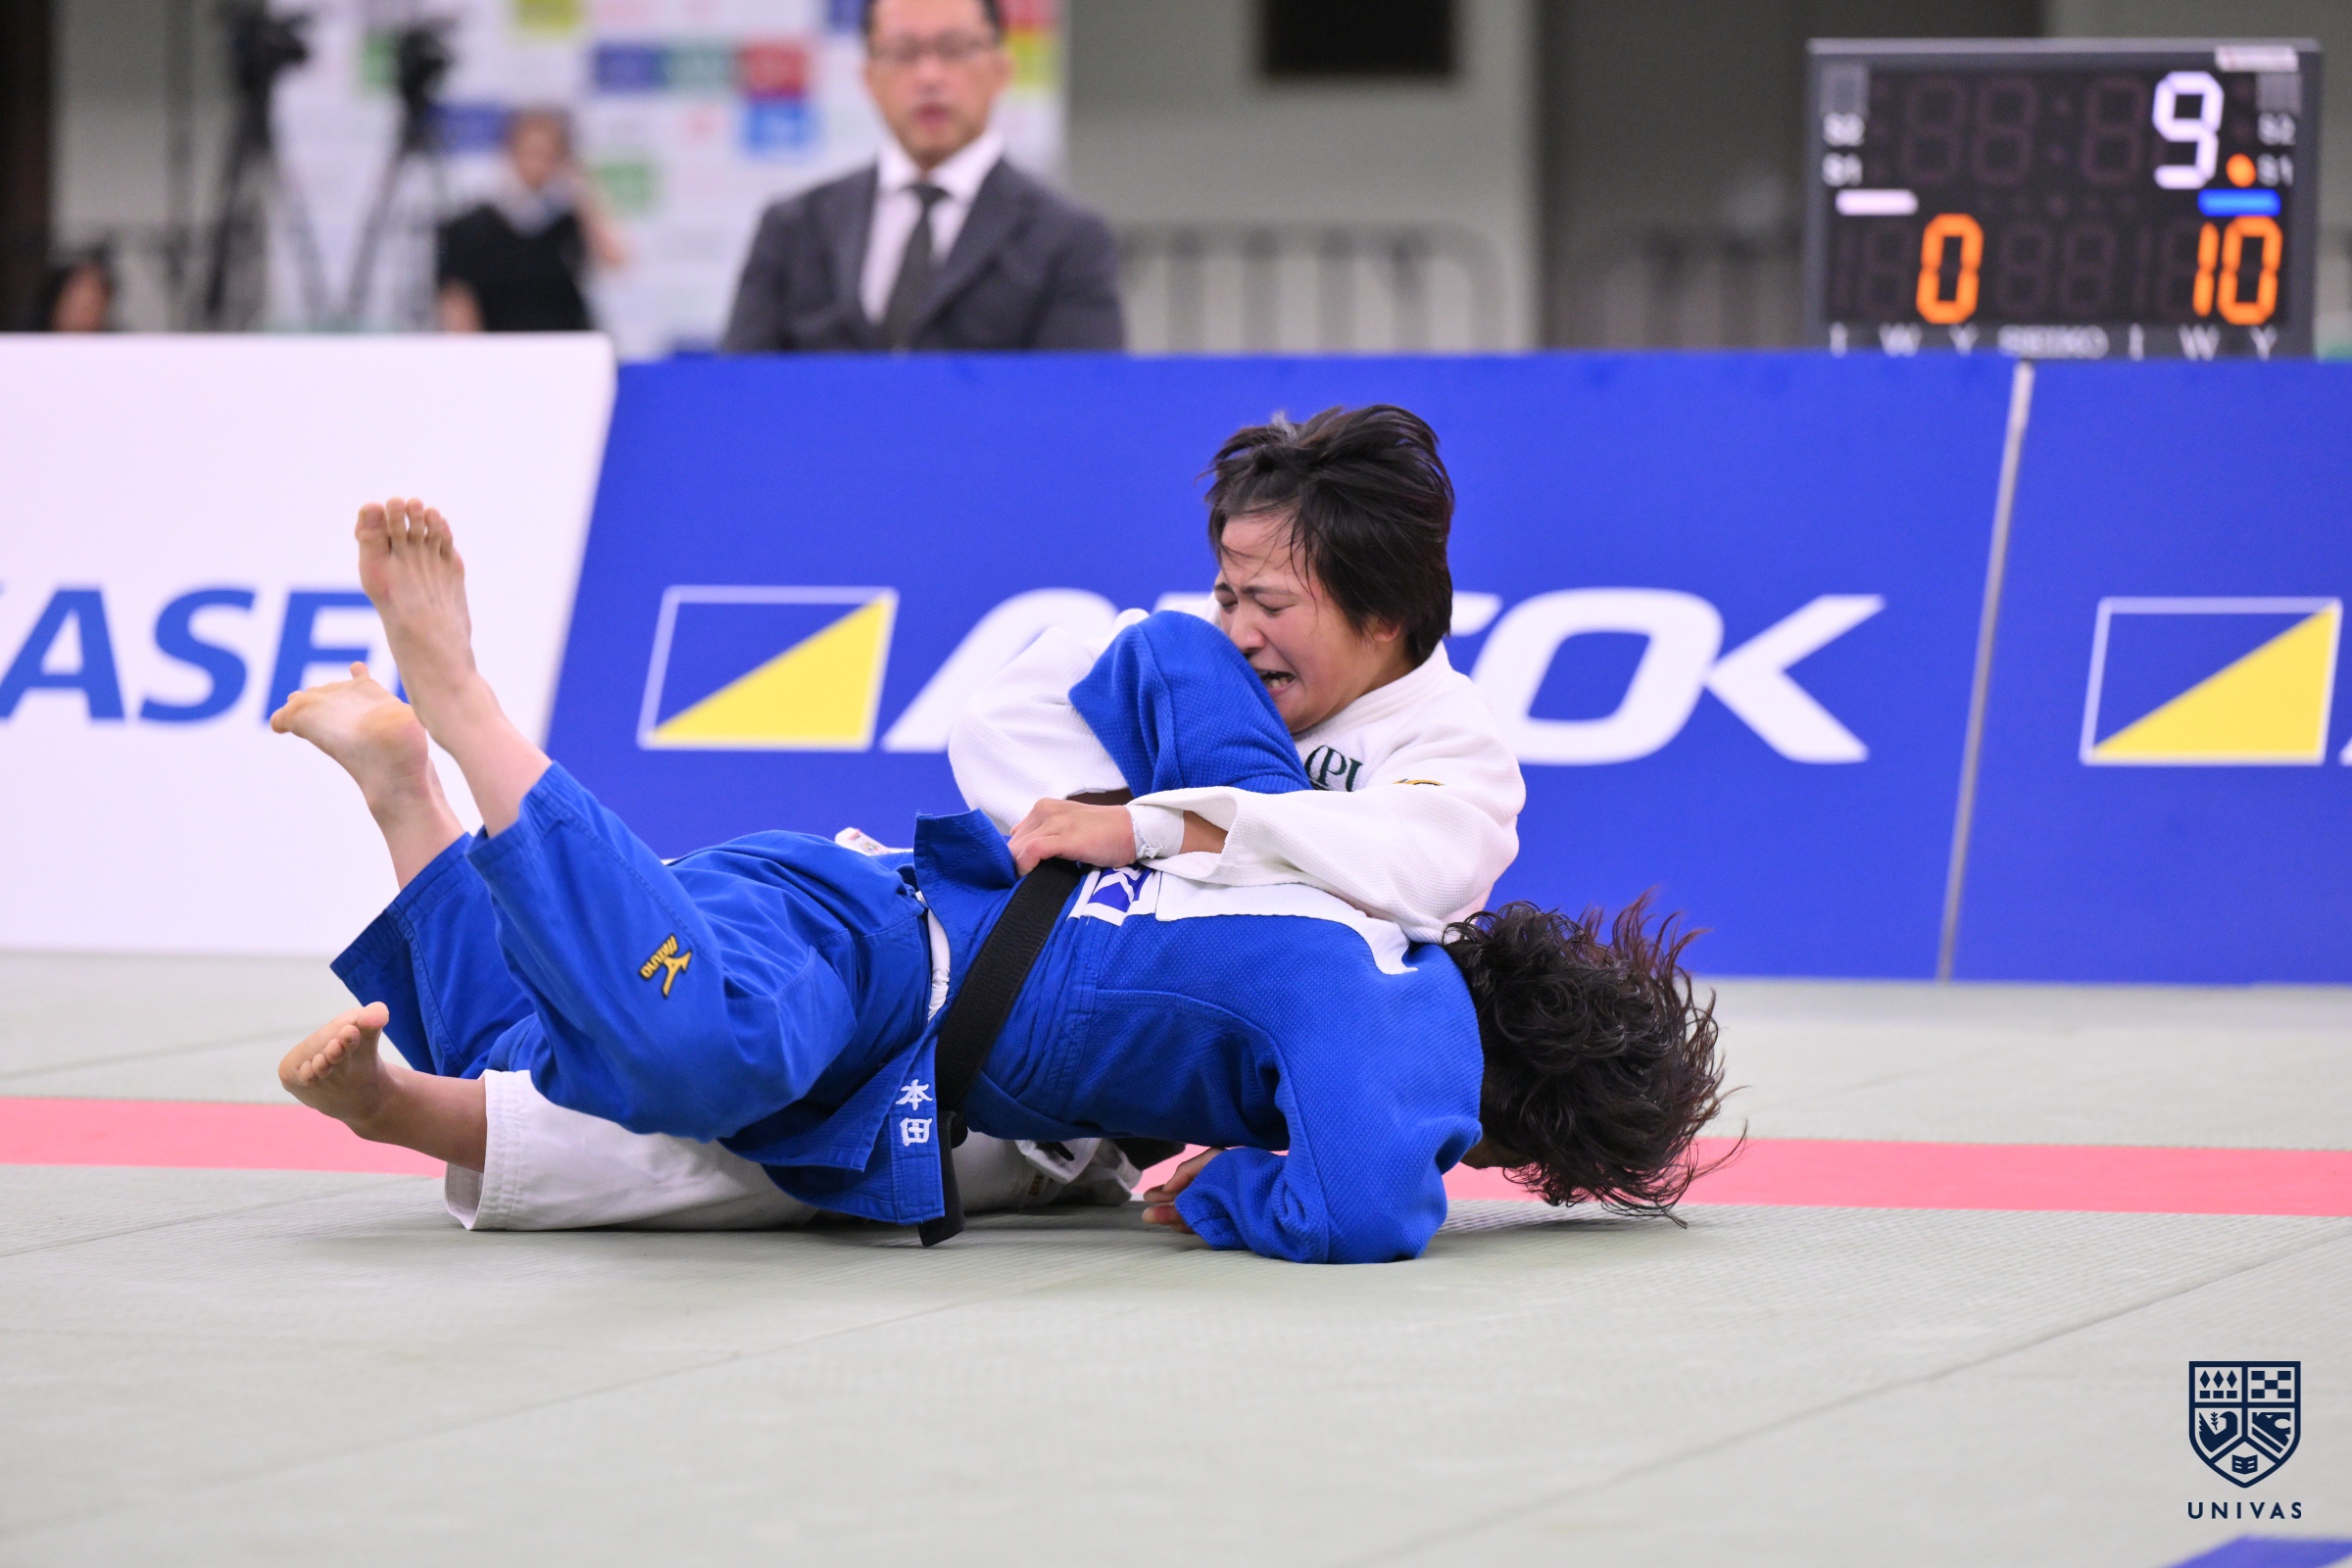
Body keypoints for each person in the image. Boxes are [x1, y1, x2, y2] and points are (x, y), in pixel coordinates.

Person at [270, 499, 1724, 1262]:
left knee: (565, 1061)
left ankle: (410, 795)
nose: (1239, 628)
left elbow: (1207, 683)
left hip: (910, 1030)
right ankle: (468, 710)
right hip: (875, 947)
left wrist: (1175, 823)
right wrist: (1237, 1185)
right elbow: (1363, 1208)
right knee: (696, 1051)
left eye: (1261, 602)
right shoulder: (1402, 1011)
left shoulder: (1363, 810)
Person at [958, 405, 1523, 943]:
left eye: (1272, 606)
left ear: (1385, 614)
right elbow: (996, 725)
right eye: (1229, 598)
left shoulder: (1454, 745)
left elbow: (1417, 874)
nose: (1241, 634)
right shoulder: (1192, 648)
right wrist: (1134, 829)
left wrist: (1157, 829)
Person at [719, 0, 1122, 353]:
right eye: (902, 52)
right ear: (869, 77)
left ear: (1001, 69)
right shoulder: (792, 229)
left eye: (955, 50)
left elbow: (1079, 399)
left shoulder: (1069, 240)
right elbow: (740, 394)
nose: (929, 76)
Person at [436, 108, 626, 333]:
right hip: (502, 347)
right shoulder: (472, 227)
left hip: (566, 344)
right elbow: (457, 303)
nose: (538, 163)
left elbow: (616, 260)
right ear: (510, 151)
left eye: (550, 154)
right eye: (531, 152)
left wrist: (582, 193)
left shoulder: (567, 222)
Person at [28, 250, 114, 332]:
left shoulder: (115, 340)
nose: (82, 316)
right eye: (77, 305)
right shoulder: (30, 339)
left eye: (89, 307)